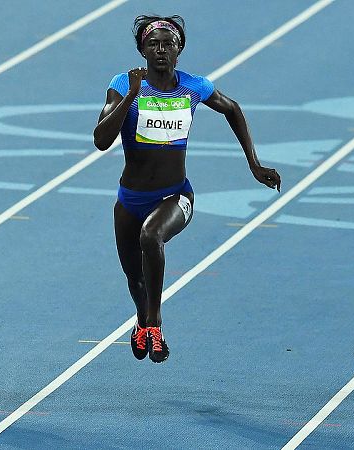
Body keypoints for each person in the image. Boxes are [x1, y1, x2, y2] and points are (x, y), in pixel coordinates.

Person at [94, 15, 281, 363]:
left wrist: (253, 164)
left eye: (168, 43)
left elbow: (233, 109)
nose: (160, 50)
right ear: (141, 50)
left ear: (179, 49)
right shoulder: (124, 84)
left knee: (151, 237)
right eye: (153, 44)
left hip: (175, 196)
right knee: (134, 278)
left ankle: (155, 323)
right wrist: (132, 95)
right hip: (129, 200)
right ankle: (142, 322)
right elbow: (101, 140)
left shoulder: (194, 87)